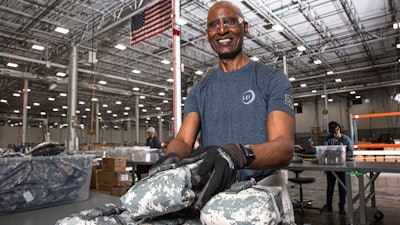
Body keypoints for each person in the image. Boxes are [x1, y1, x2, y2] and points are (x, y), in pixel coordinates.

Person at [158, 1, 295, 223]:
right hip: (216, 198)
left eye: (230, 21)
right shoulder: (200, 90)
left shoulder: (271, 79)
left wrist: (237, 153)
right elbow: (184, 139)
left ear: (246, 28)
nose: (222, 30)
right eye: (214, 24)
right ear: (207, 34)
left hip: (265, 194)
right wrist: (171, 157)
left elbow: (284, 147)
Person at [321, 121, 353, 215]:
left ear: (339, 130)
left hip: (342, 167)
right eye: (333, 134)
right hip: (331, 168)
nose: (335, 135)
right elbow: (323, 150)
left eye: (336, 133)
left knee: (342, 187)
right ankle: (329, 206)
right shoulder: (328, 139)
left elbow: (350, 152)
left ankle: (342, 206)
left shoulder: (346, 139)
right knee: (330, 186)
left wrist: (342, 157)